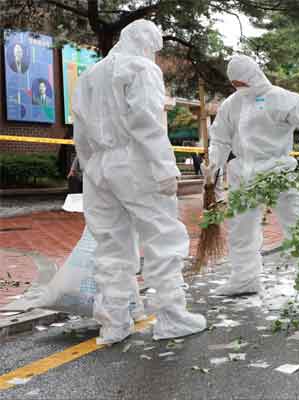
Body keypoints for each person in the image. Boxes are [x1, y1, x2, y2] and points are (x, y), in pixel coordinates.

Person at [72, 19, 206, 345]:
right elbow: (146, 122)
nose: (155, 56)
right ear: (146, 43)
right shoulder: (140, 69)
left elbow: (82, 132)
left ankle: (114, 324)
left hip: (100, 167)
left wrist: (93, 167)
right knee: (162, 237)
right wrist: (164, 168)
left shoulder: (90, 76)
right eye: (154, 49)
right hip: (135, 162)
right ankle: (172, 317)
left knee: (111, 245)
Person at [204, 54, 299, 296]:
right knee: (241, 230)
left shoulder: (284, 99)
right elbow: (220, 137)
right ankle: (244, 280)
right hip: (244, 174)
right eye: (235, 83)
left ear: (253, 74)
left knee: (298, 225)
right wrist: (214, 164)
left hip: (278, 172)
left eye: (242, 81)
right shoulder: (232, 104)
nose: (239, 87)